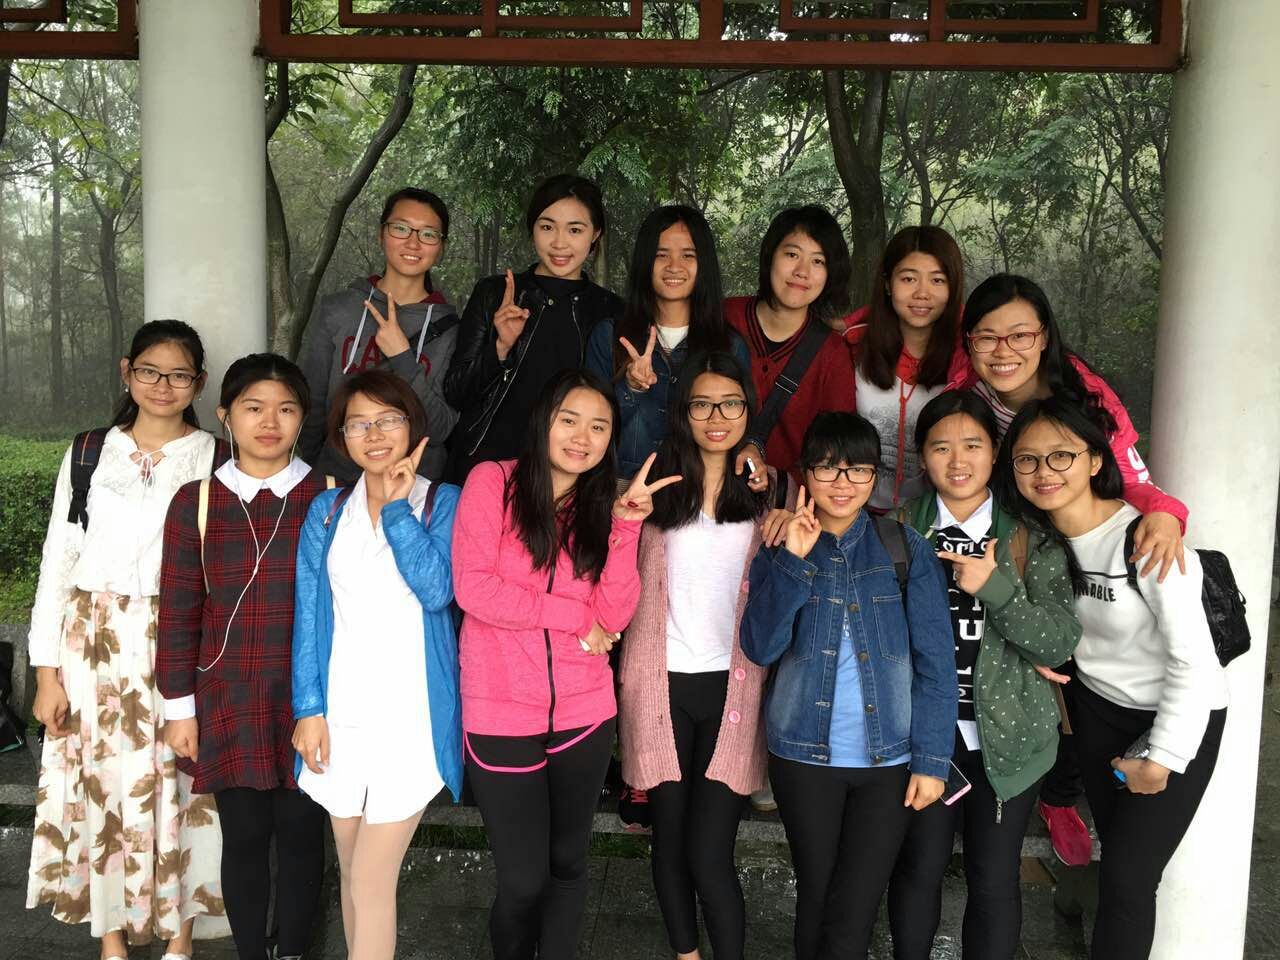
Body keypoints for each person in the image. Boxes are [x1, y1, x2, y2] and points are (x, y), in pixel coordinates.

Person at [961, 273, 1190, 864]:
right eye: (987, 337)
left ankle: (1060, 795)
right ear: (969, 344)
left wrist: (1167, 513)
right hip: (1018, 541)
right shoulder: (970, 393)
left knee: (1073, 659)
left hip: (1087, 545)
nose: (1003, 350)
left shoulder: (1084, 392)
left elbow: (1131, 476)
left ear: (1044, 337)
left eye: (1019, 335)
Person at [451, 369, 677, 959]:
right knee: (523, 879)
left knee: (569, 864)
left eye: (599, 426)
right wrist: (574, 617)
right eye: (569, 420)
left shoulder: (603, 505)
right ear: (542, 421)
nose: (582, 437)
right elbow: (475, 589)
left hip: (584, 713)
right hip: (500, 713)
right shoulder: (492, 482)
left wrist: (627, 528)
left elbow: (615, 613)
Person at [997, 396, 1227, 960]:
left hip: (1175, 714)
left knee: (1128, 880)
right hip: (1098, 711)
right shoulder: (1038, 538)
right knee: (1116, 857)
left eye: (1061, 456)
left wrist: (1163, 757)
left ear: (1096, 460)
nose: (1044, 471)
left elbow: (1194, 663)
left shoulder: (1145, 541)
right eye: (1027, 460)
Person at [27, 320, 230, 960]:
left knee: (180, 780)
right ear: (127, 372)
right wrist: (46, 672)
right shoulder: (90, 452)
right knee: (101, 782)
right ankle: (110, 936)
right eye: (149, 371)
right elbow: (58, 560)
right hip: (92, 641)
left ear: (198, 382)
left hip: (181, 637)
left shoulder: (216, 457)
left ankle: (180, 935)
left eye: (179, 374)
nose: (163, 385)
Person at [740, 411, 956, 960]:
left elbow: (936, 664)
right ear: (805, 474)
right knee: (816, 897)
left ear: (874, 476)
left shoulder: (905, 548)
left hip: (888, 762)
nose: (843, 483)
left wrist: (932, 762)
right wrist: (794, 561)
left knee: (855, 905)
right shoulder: (779, 547)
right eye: (827, 468)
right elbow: (759, 647)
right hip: (802, 757)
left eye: (857, 469)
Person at [886, 391, 1081, 960]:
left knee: (993, 878)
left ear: (994, 453)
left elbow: (1059, 640)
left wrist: (994, 587)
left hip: (1009, 737)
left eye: (972, 445)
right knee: (918, 868)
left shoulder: (1029, 536)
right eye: (941, 447)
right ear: (922, 456)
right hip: (923, 738)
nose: (958, 460)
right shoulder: (896, 531)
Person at [157, 354, 331, 960]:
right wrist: (179, 709)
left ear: (304, 419)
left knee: (304, 833)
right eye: (253, 408)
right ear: (226, 415)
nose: (270, 423)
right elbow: (179, 611)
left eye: (286, 409)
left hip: (309, 699)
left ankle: (295, 950)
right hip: (227, 696)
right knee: (246, 835)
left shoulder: (329, 496)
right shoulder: (196, 502)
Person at [290, 370, 463, 959]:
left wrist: (395, 511)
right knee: (351, 873)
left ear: (412, 426)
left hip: (411, 720)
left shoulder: (441, 502)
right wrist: (308, 709)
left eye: (388, 419)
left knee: (371, 877)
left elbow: (438, 590)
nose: (375, 434)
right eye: (358, 424)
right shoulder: (327, 511)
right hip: (341, 716)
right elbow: (309, 615)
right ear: (341, 436)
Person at [618, 351, 769, 960]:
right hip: (660, 685)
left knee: (711, 853)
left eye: (730, 404)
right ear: (682, 413)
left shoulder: (768, 492)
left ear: (747, 412)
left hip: (735, 687)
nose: (716, 417)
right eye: (702, 404)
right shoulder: (654, 486)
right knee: (670, 844)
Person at [444, 174, 624, 482]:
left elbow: (609, 411)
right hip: (484, 469)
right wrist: (500, 348)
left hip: (566, 480)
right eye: (547, 227)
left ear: (595, 234)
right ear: (533, 230)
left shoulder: (610, 310)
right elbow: (456, 393)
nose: (559, 243)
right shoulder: (494, 293)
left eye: (575, 230)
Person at [298, 187, 461, 483]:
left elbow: (439, 429)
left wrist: (402, 357)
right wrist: (310, 478)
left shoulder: (453, 331)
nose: (413, 242)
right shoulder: (339, 309)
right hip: (338, 483)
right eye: (401, 228)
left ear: (441, 247)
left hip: (415, 488)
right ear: (381, 234)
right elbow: (314, 407)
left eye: (428, 234)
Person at [585, 205, 750, 479]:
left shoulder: (729, 345)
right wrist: (631, 389)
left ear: (704, 264)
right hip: (622, 491)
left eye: (688, 255)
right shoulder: (610, 336)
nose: (674, 266)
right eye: (661, 255)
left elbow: (739, 427)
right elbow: (588, 427)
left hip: (697, 493)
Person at [724, 205, 857, 482]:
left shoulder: (832, 353)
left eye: (818, 261)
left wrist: (785, 491)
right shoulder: (724, 318)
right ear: (770, 255)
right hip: (705, 490)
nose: (802, 271)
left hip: (785, 500)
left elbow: (835, 449)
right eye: (792, 254)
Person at [844, 225, 971, 512]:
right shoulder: (852, 347)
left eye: (937, 280)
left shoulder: (969, 357)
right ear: (888, 284)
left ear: (953, 288)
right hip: (857, 511)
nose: (922, 293)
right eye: (909, 279)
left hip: (935, 517)